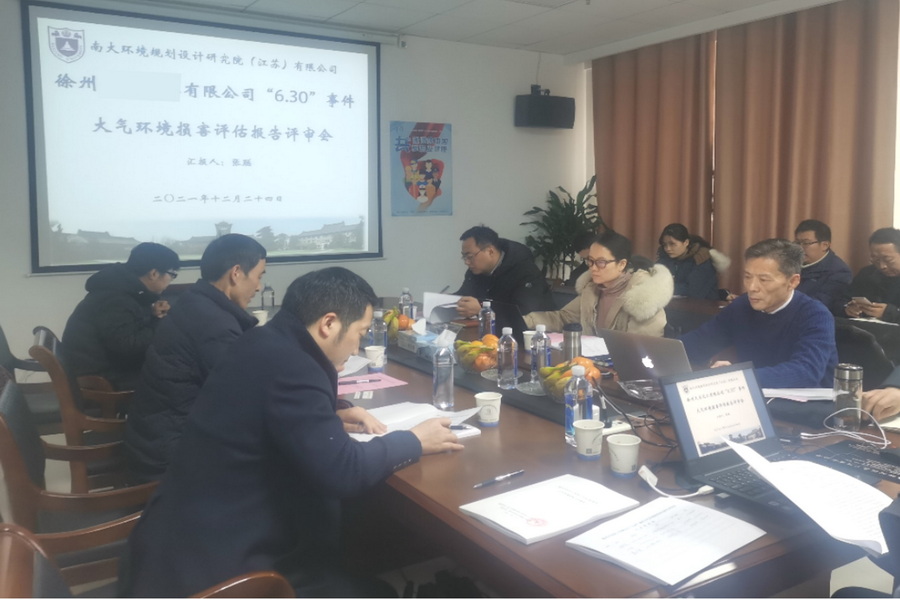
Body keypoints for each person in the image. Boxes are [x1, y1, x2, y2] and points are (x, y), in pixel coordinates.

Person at [122, 267, 463, 598]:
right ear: (329, 324)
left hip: (180, 533)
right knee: (377, 592)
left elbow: (263, 414)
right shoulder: (295, 367)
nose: (356, 347)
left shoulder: (263, 340)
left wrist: (329, 418)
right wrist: (414, 440)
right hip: (226, 567)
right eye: (359, 333)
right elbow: (343, 472)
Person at [124, 234, 267, 483]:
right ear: (236, 273)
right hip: (171, 454)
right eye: (259, 276)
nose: (258, 287)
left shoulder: (195, 302)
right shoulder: (214, 324)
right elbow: (246, 398)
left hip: (154, 437)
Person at [680, 239, 838, 388]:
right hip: (754, 396)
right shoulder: (741, 307)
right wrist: (668, 352)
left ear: (792, 282)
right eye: (748, 277)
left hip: (807, 404)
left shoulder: (815, 315)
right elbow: (699, 342)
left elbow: (806, 372)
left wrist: (738, 377)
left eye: (763, 280)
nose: (752, 287)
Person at [62, 242, 180, 390]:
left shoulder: (121, 289)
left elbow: (126, 333)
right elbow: (127, 347)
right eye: (172, 274)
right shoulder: (116, 299)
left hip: (102, 365)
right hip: (102, 376)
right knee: (181, 377)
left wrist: (153, 316)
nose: (171, 280)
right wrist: (158, 323)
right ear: (154, 273)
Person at [523, 231, 673, 336]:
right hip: (592, 363)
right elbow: (564, 318)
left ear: (621, 264)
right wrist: (524, 320)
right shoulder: (592, 289)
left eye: (601, 262)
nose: (593, 268)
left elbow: (639, 346)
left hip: (623, 366)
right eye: (590, 261)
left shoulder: (644, 298)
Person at [454, 225, 555, 318]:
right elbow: (464, 295)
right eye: (464, 257)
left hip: (535, 329)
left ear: (490, 251)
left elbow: (523, 312)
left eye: (470, 256)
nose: (466, 262)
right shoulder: (475, 271)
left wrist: (482, 310)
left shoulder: (525, 271)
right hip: (489, 327)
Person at [655, 223, 730, 300]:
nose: (668, 249)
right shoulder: (664, 259)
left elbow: (693, 290)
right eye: (665, 245)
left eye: (672, 244)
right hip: (672, 304)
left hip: (703, 305)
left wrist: (662, 287)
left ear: (686, 242)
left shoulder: (701, 259)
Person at [793, 219, 852, 313]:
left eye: (806, 243)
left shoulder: (839, 272)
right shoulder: (790, 263)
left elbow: (820, 303)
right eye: (797, 243)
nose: (799, 248)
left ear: (825, 245)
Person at [844, 228, 900, 323]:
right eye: (876, 260)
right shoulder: (867, 274)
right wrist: (848, 308)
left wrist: (890, 313)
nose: (882, 266)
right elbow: (844, 298)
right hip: (867, 329)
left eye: (888, 260)